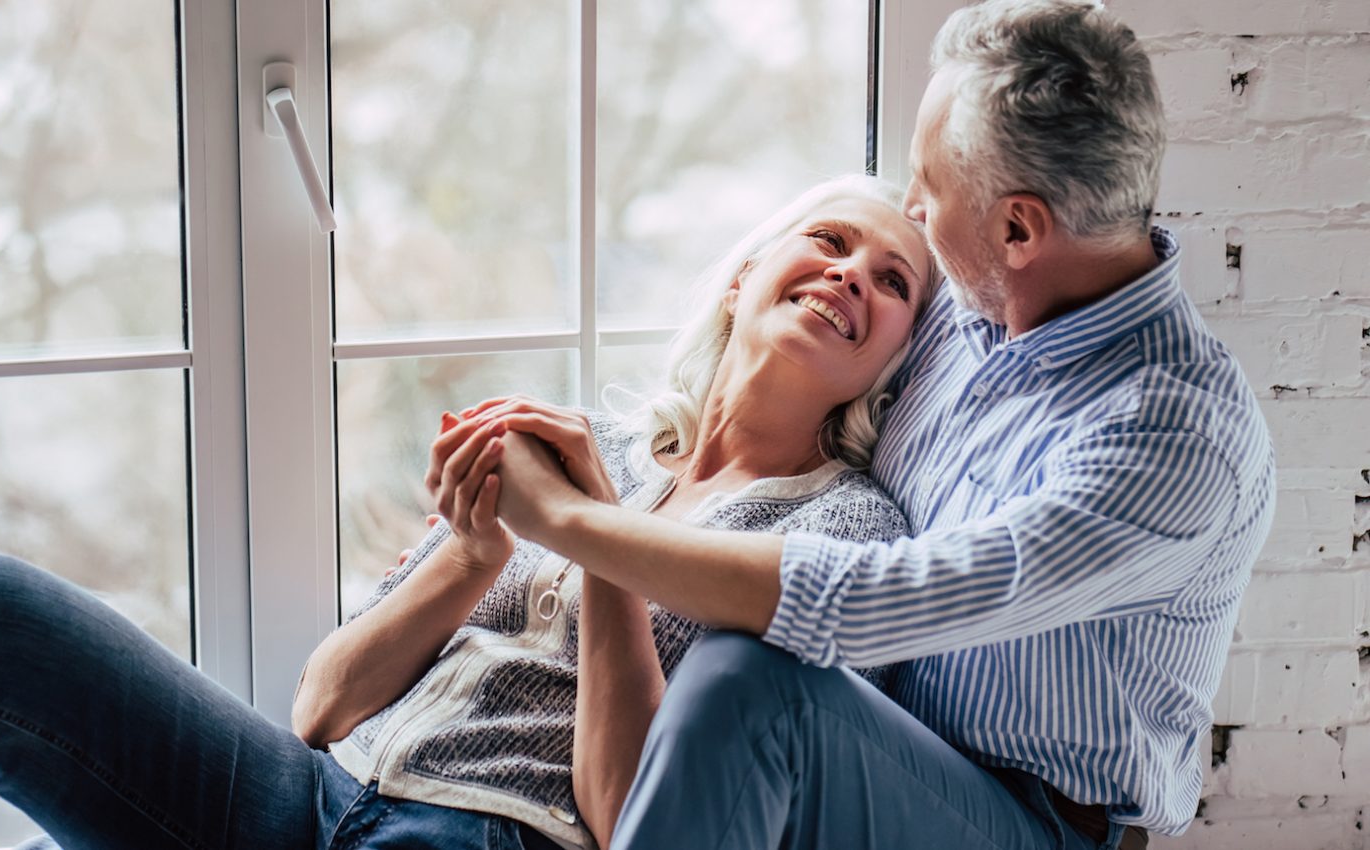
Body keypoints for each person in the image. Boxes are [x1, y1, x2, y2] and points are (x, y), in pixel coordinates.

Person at [430, 2, 1276, 849]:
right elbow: (790, 334)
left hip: (1034, 820)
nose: (910, 206)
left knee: (745, 681)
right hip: (878, 735)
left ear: (1019, 227)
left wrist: (572, 522)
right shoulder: (978, 302)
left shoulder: (1175, 436)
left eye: (929, 187)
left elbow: (866, 600)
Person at [0, 173, 939, 850]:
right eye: (828, 239)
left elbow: (626, 820)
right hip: (310, 793)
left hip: (496, 834)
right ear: (743, 276)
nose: (850, 272)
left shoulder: (847, 533)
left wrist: (595, 541)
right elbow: (321, 705)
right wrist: (472, 552)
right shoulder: (584, 443)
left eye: (890, 281)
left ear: (893, 361)